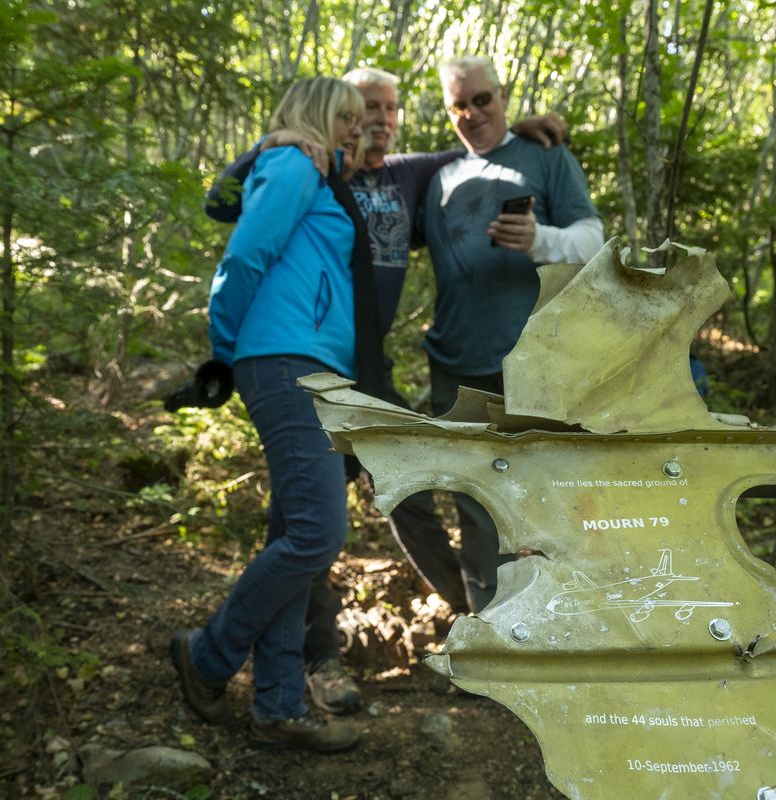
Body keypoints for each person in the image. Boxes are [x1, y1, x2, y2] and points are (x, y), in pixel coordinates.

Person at [202, 67, 569, 712]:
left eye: (390, 108)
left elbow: (474, 146)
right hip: (303, 360)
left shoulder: (408, 176)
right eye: (365, 107)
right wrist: (271, 141)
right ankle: (315, 660)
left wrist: (525, 129)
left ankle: (473, 616)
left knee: (396, 496)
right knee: (310, 522)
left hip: (361, 370)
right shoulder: (315, 163)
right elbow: (227, 203)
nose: (378, 118)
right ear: (338, 113)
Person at [169, 76, 373, 753]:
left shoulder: (318, 173)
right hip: (284, 360)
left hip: (311, 363)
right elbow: (242, 249)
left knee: (296, 535)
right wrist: (226, 351)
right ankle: (206, 657)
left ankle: (279, 705)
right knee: (317, 535)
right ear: (316, 115)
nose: (357, 127)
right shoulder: (290, 164)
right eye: (345, 116)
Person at [416, 55, 604, 611]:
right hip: (455, 358)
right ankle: (495, 634)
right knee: (475, 501)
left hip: (534, 359)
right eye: (458, 105)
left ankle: (560, 625)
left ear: (502, 96)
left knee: (547, 495)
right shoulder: (440, 177)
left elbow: (594, 241)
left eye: (482, 100)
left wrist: (540, 239)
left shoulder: (545, 155)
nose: (472, 114)